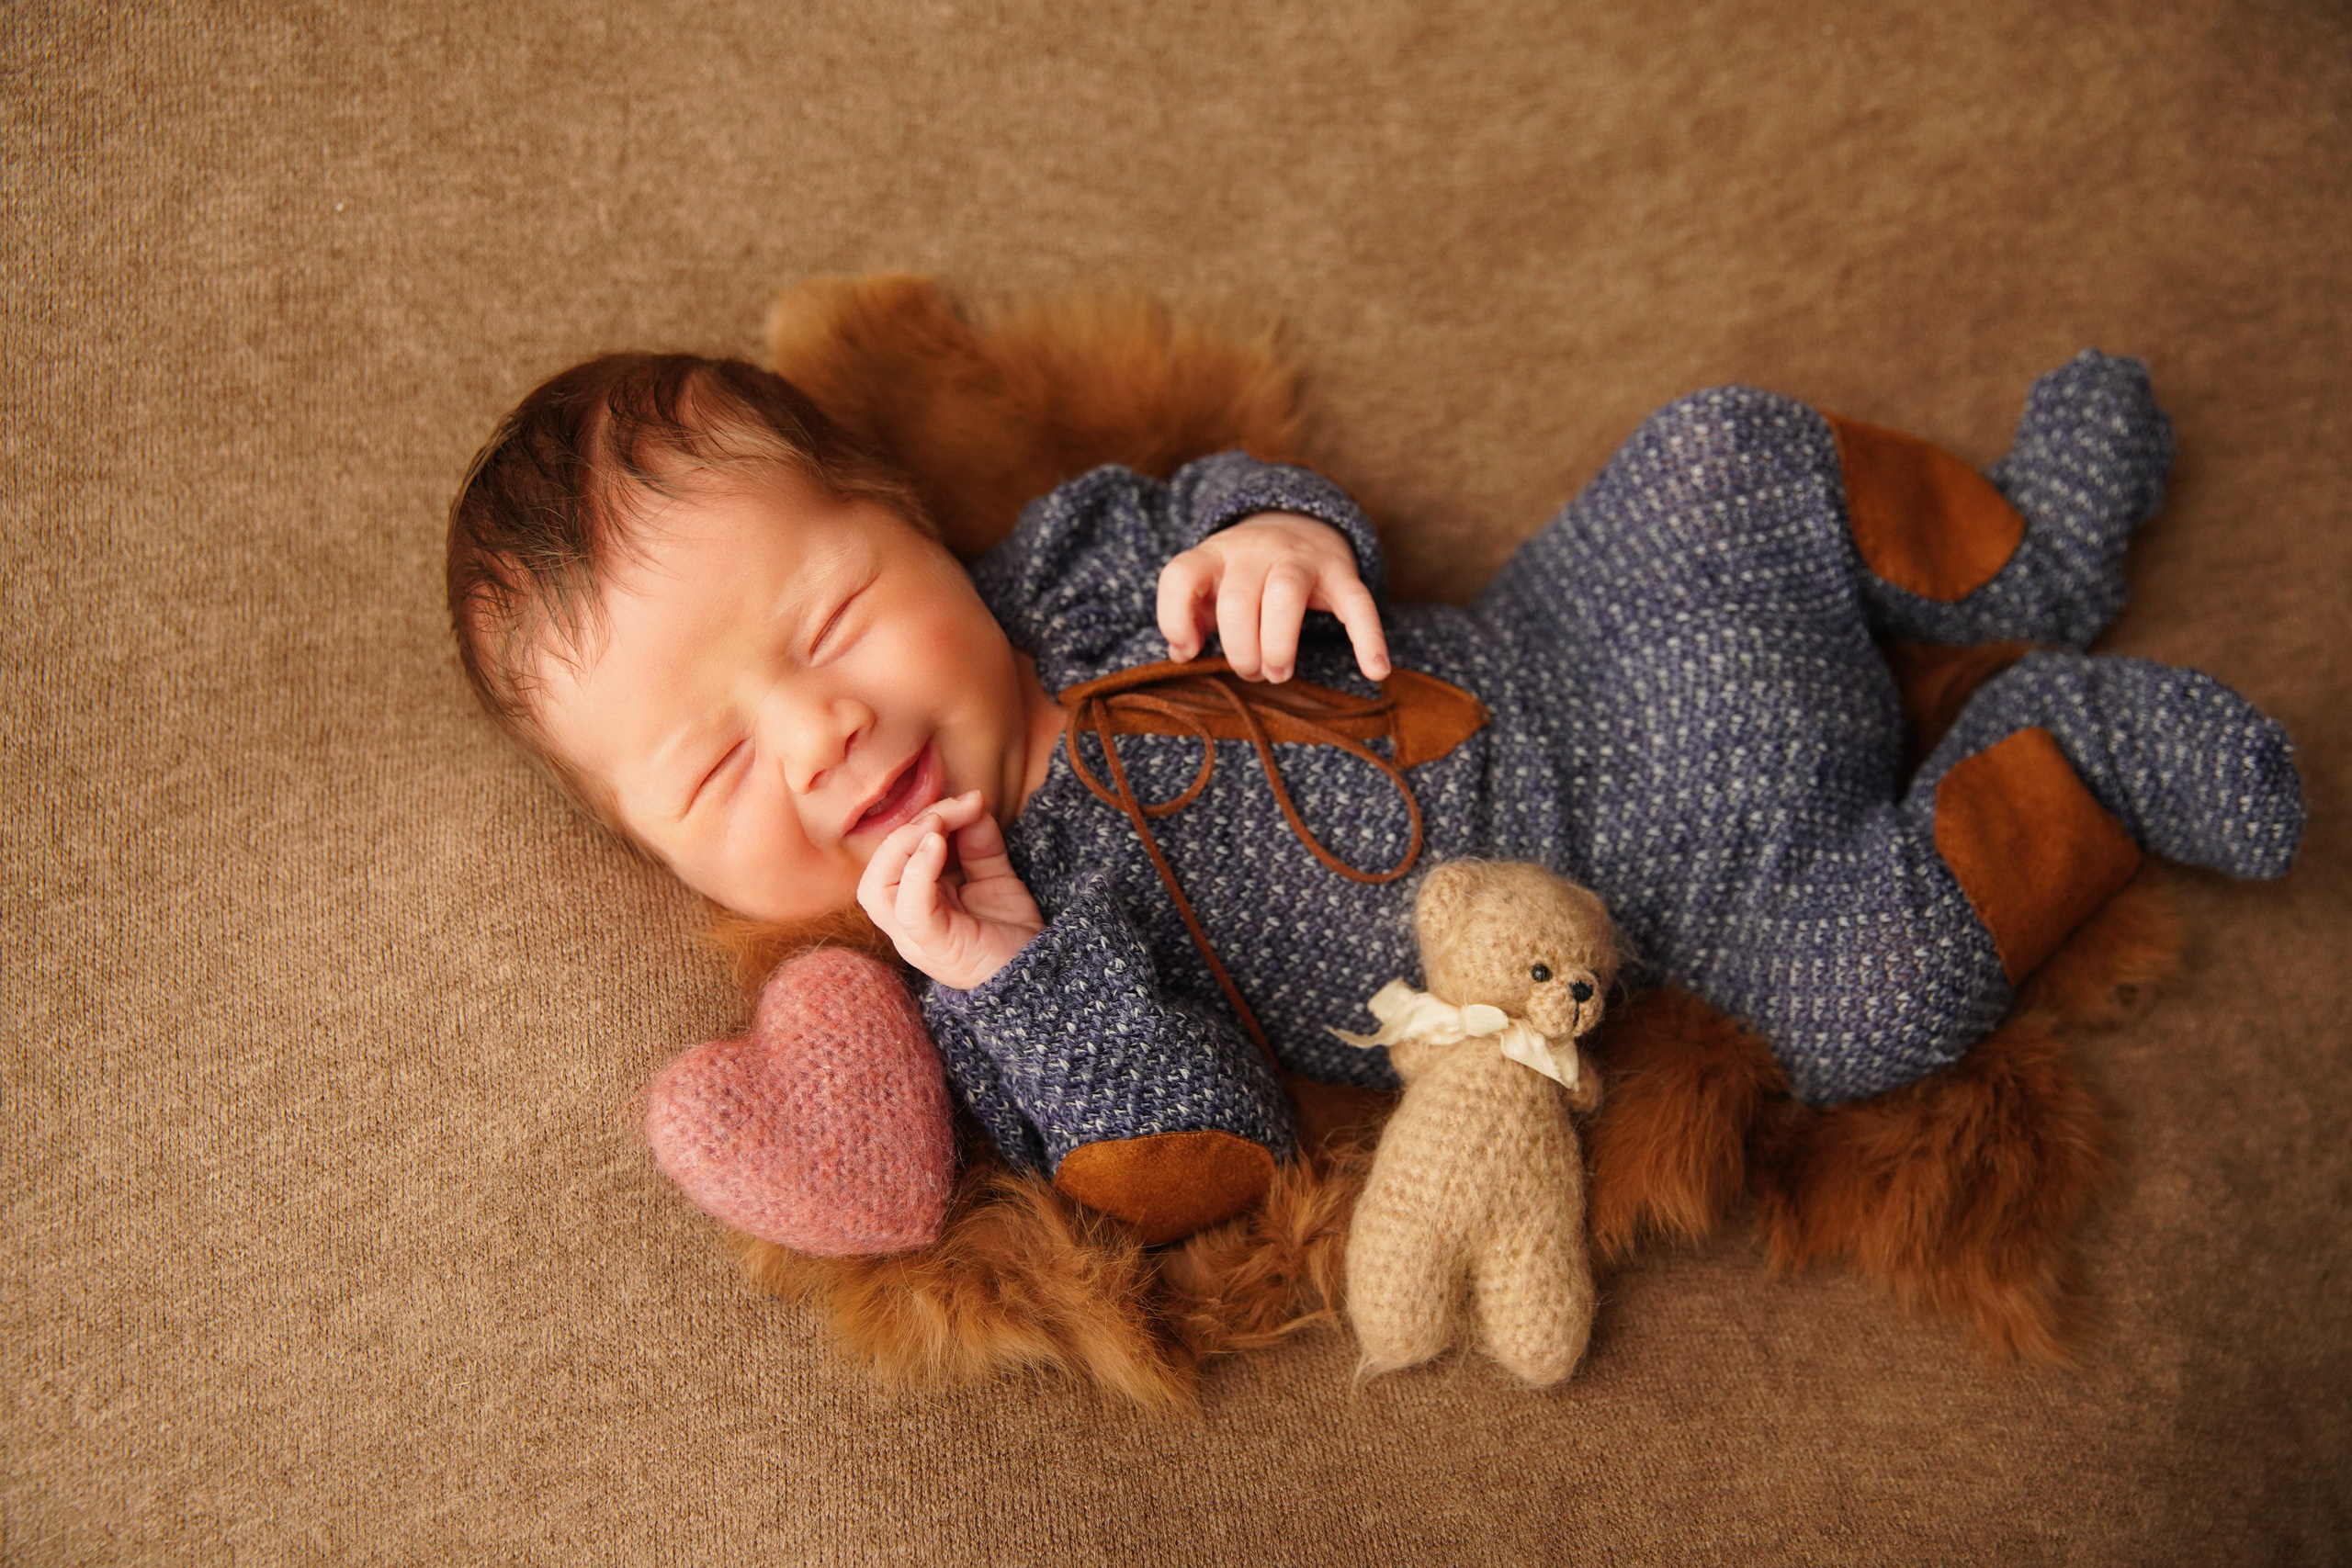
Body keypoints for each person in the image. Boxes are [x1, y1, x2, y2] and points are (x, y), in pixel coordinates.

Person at [447, 350, 2305, 1240]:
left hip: (1594, 630)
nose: (822, 732)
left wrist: (1272, 530)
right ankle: (2065, 752)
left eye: (831, 619)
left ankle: (2025, 556)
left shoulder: (1079, 564)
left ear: (920, 529)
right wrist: (1012, 971)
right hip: (1669, 923)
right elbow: (1211, 1151)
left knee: (1716, 446)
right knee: (1878, 995)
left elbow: (1230, 497)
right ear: (667, 857)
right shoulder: (988, 995)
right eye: (716, 766)